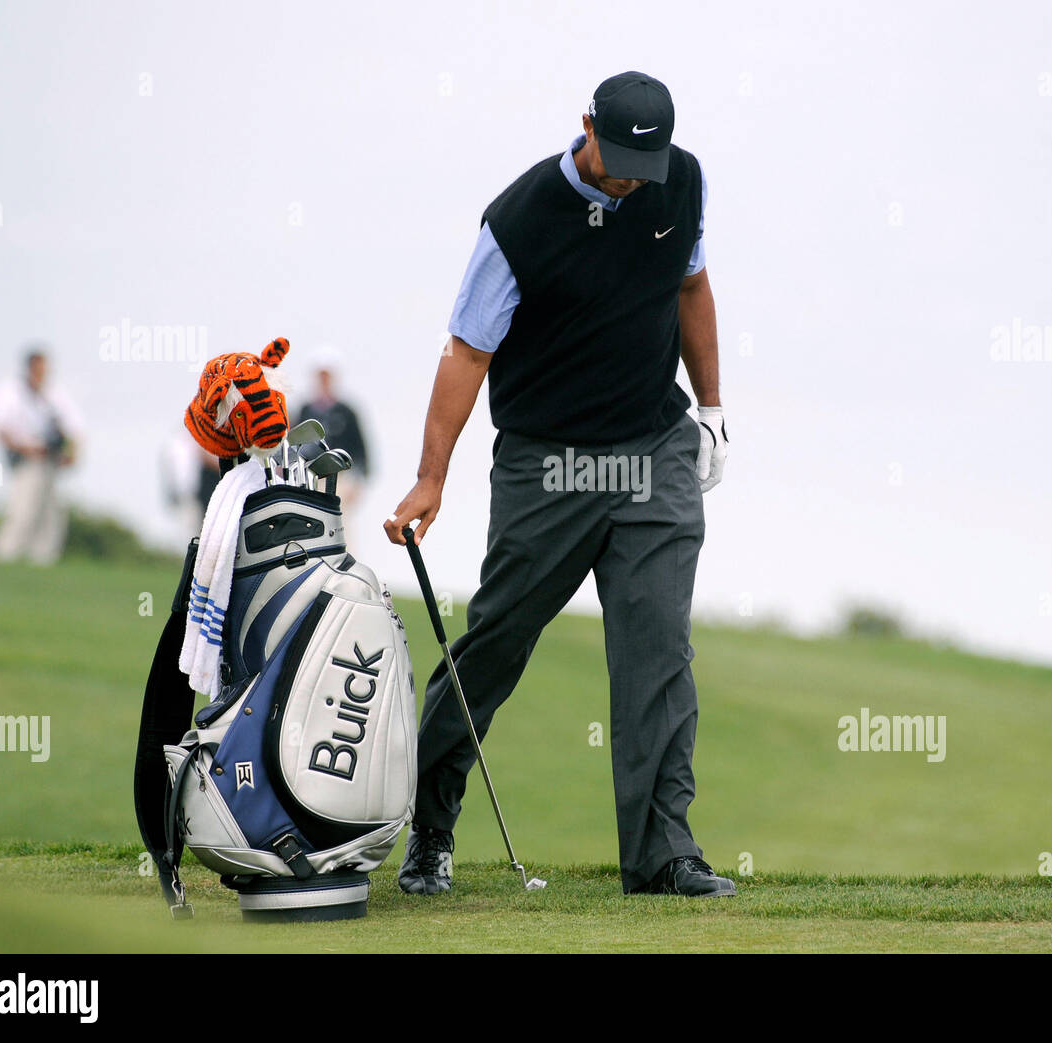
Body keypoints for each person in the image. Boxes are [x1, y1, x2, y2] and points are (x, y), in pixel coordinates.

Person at [384, 72, 732, 898]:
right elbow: (466, 352)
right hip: (550, 463)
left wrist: (712, 408)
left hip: (653, 450)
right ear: (585, 128)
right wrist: (431, 478)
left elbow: (691, 285)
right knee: (495, 642)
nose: (628, 181)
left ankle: (661, 853)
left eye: (642, 168)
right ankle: (427, 826)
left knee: (657, 652)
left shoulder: (678, 180)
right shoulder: (519, 219)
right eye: (617, 164)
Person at [0, 346, 84, 565]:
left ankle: (43, 560)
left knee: (51, 515)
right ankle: (5, 555)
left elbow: (75, 428)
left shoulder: (55, 393)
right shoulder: (11, 391)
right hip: (26, 461)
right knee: (22, 510)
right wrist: (26, 448)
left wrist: (72, 453)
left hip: (51, 462)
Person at [294, 345, 372, 511]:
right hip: (310, 479)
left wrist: (357, 481)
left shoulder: (347, 412)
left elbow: (360, 449)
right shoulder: (305, 410)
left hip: (341, 479)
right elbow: (293, 445)